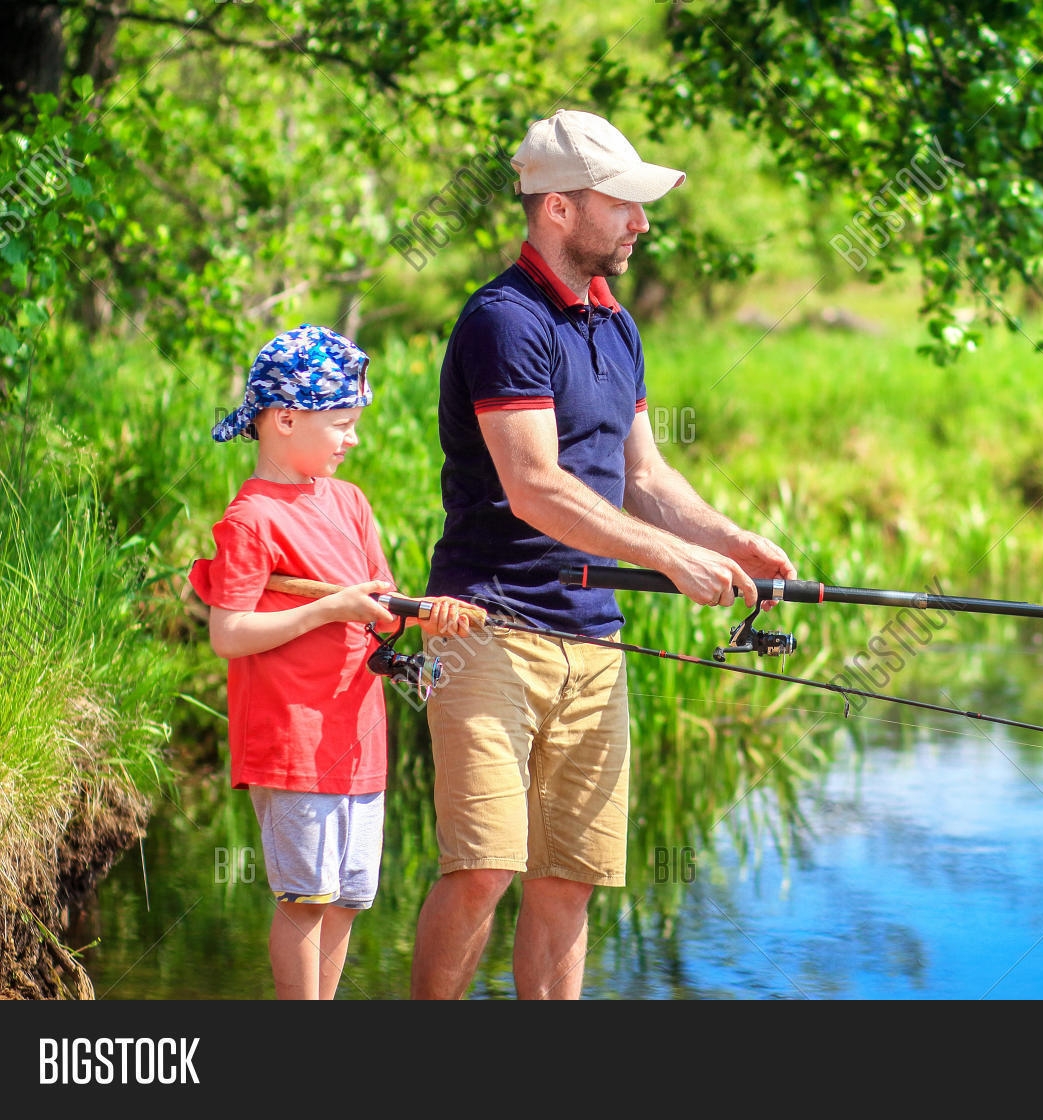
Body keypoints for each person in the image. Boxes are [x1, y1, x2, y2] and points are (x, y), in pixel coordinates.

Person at [413, 109, 796, 1000]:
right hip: (486, 629)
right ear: (556, 208)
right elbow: (535, 486)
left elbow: (643, 476)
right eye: (622, 203)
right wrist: (669, 559)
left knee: (570, 876)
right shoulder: (503, 322)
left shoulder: (617, 327)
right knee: (483, 868)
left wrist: (730, 543)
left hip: (594, 642)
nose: (641, 221)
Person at [189, 323, 471, 1000]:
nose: (353, 438)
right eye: (342, 423)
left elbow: (379, 603)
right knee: (305, 897)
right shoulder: (251, 518)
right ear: (285, 419)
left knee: (346, 897)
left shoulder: (349, 502)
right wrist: (326, 610)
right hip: (293, 740)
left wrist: (426, 610)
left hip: (358, 736)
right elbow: (228, 634)